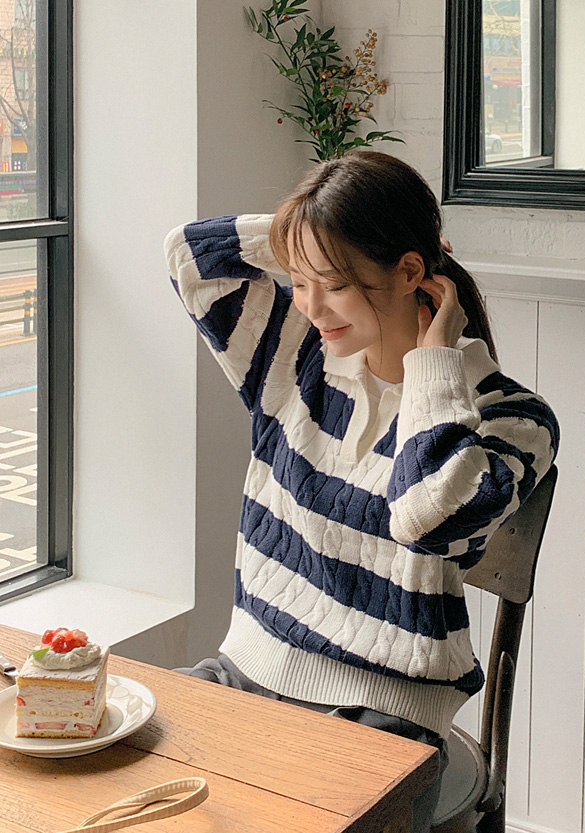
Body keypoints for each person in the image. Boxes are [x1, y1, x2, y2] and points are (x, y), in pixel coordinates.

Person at [165, 149, 560, 831]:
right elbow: (189, 255)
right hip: (244, 673)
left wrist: (433, 362)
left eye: (334, 285)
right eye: (298, 282)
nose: (310, 305)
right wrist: (314, 234)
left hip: (384, 716)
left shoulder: (511, 417)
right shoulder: (295, 356)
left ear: (410, 273)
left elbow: (426, 518)